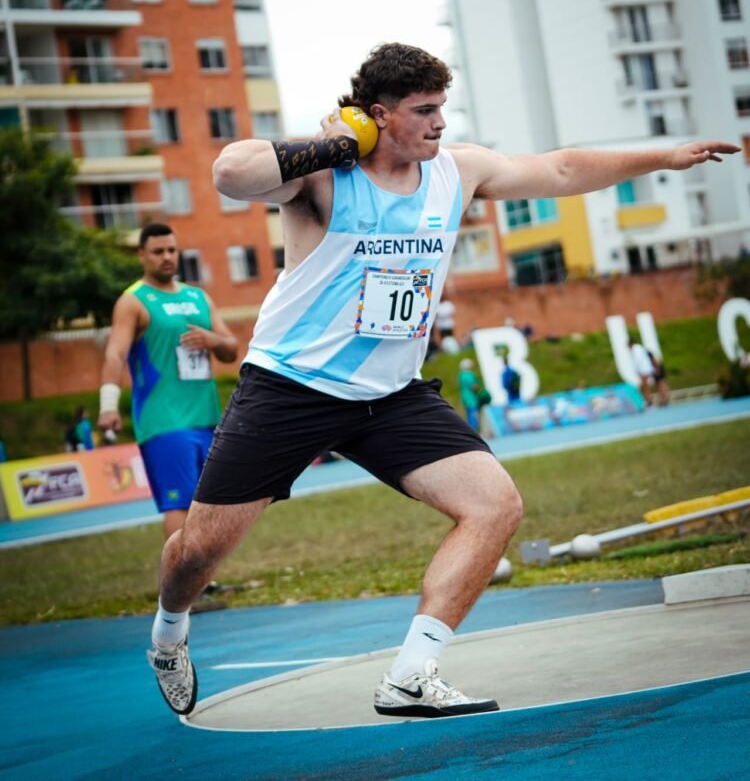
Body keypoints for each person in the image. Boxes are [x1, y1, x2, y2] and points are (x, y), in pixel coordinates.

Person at [145, 41, 738, 719]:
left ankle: (411, 674)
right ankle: (168, 633)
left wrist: (663, 156)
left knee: (495, 505)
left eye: (441, 109)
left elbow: (562, 167)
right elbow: (230, 171)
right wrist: (332, 145)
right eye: (423, 111)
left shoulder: (457, 171)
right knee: (199, 552)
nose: (439, 124)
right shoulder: (326, 178)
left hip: (392, 393)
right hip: (292, 388)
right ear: (378, 116)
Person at [97, 222, 238, 541]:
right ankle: (181, 587)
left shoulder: (197, 297)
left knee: (209, 506)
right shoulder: (133, 301)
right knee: (180, 505)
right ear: (142, 255)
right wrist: (108, 406)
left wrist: (211, 339)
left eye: (172, 250)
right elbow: (114, 355)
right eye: (158, 251)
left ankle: (203, 582)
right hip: (164, 421)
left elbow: (231, 349)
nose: (167, 257)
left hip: (207, 419)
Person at [457, 358, 483, 430]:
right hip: (471, 398)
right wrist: (480, 391)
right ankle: (475, 430)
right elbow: (474, 386)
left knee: (468, 415)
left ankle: (470, 430)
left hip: (464, 398)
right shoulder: (470, 375)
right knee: (473, 414)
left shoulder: (461, 375)